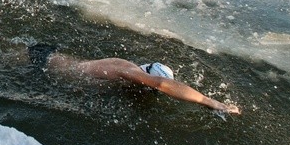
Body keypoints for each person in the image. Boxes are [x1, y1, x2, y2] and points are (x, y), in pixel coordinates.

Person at [28, 44, 240, 114]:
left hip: (53, 66)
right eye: (150, 86)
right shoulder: (128, 71)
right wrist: (211, 102)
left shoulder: (129, 78)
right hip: (42, 61)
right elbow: (162, 84)